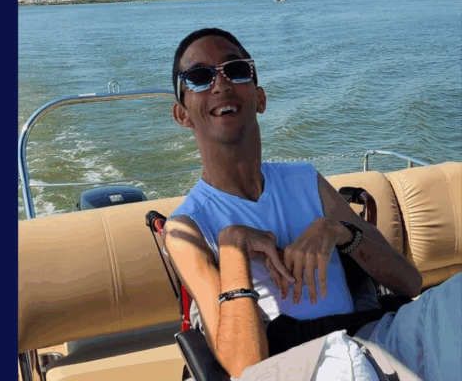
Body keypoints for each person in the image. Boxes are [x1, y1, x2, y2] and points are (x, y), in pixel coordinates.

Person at [162, 27, 461, 380]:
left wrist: (340, 232)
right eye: (199, 77)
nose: (220, 84)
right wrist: (232, 249)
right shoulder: (187, 228)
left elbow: (409, 283)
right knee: (343, 363)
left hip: (370, 341)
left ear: (259, 98)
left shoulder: (306, 180)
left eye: (236, 70)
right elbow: (243, 366)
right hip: (289, 365)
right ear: (182, 115)